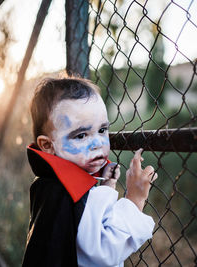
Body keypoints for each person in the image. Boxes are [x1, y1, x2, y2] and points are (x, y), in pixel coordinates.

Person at [22, 76, 158, 267]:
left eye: (102, 130)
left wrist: (107, 187)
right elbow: (102, 253)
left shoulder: (50, 184)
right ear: (47, 145)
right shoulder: (71, 194)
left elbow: (83, 230)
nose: (98, 144)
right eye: (81, 135)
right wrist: (135, 201)